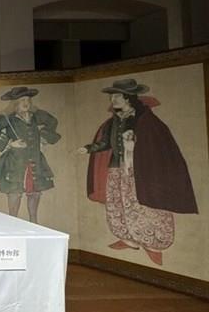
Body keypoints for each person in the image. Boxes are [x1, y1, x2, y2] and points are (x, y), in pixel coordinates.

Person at [76, 78, 198, 266]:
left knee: (143, 205)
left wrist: (133, 145)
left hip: (140, 171)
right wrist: (88, 148)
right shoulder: (113, 121)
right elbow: (106, 143)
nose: (112, 101)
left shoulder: (146, 121)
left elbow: (155, 147)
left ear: (128, 98)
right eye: (111, 97)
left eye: (116, 96)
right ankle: (128, 238)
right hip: (116, 168)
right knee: (117, 203)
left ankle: (154, 244)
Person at [0, 86, 61, 223]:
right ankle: (13, 222)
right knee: (15, 192)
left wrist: (43, 136)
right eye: (22, 100)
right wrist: (10, 143)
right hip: (15, 161)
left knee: (35, 192)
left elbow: (52, 121)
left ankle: (34, 222)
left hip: (35, 160)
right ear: (15, 103)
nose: (26, 103)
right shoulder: (7, 118)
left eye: (28, 100)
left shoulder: (35, 116)